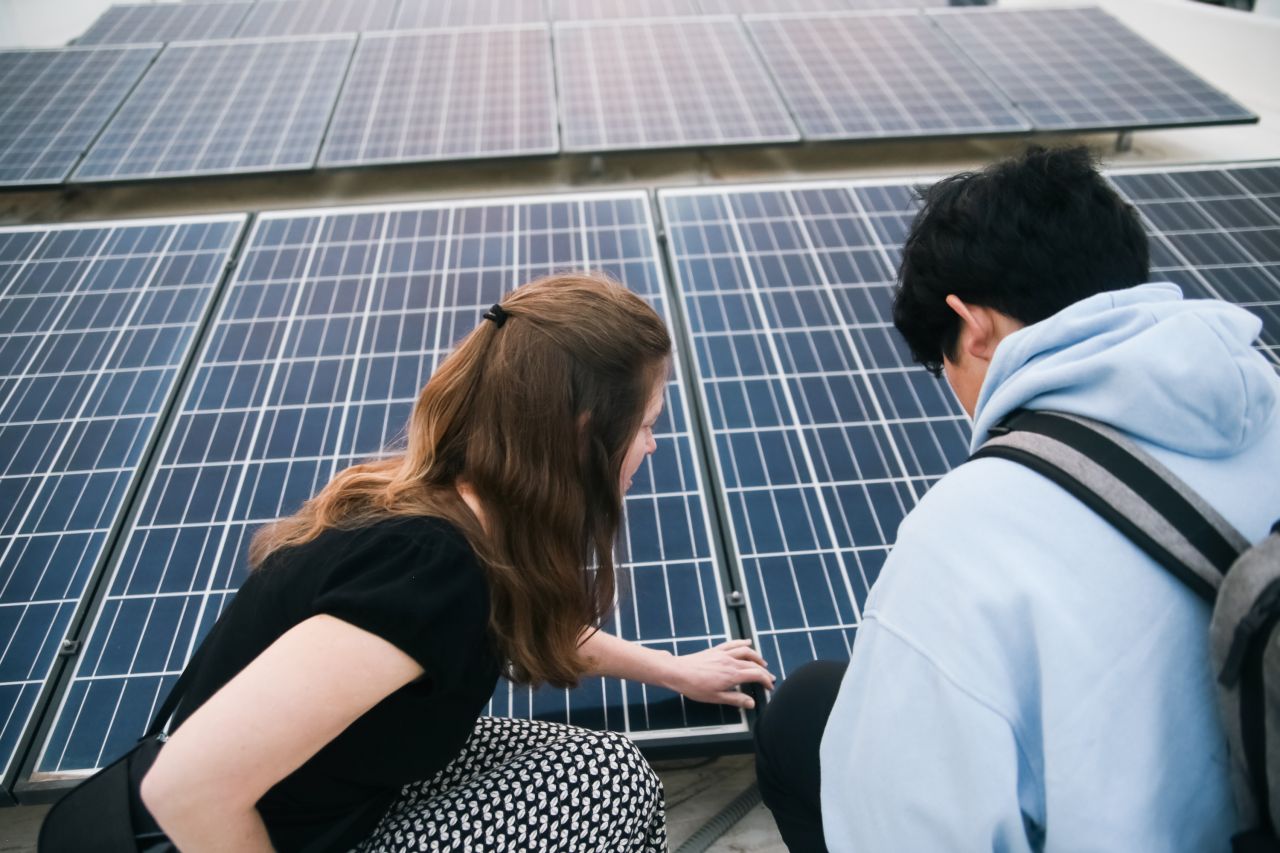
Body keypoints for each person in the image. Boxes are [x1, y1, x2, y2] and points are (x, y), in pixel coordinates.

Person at [754, 146, 1280, 851]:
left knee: (802, 717)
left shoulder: (963, 538)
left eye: (943, 364)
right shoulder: (1266, 397)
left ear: (971, 327)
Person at [136, 273, 774, 852]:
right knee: (603, 797)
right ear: (582, 435)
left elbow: (519, 621)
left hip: (346, 790)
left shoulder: (460, 504)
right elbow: (189, 788)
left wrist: (671, 670)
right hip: (269, 837)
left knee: (608, 771)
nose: (653, 445)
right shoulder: (428, 570)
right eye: (645, 426)